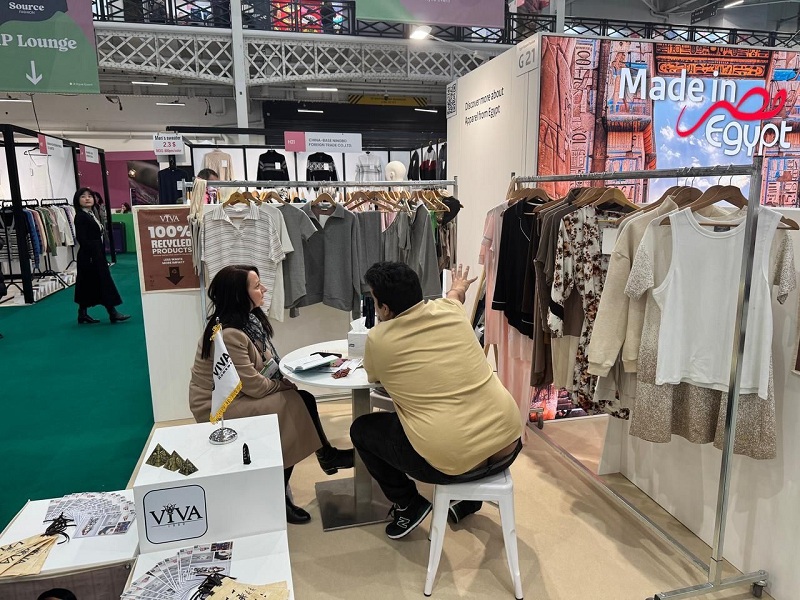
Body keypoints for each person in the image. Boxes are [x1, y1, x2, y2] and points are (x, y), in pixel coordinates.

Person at [351, 262, 523, 539]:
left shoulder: (378, 339)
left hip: (454, 464)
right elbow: (455, 297)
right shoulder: (450, 310)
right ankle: (466, 501)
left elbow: (374, 377)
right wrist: (458, 286)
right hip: (509, 441)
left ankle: (408, 504)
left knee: (362, 429)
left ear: (385, 308)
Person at [189, 265, 354, 524]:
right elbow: (254, 386)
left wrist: (287, 378)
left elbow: (267, 364)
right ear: (239, 295)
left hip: (239, 395)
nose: (264, 289)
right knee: (291, 406)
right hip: (219, 406)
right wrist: (282, 386)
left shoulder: (248, 322)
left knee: (302, 400)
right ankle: (287, 488)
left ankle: (325, 457)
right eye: (257, 286)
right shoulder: (230, 334)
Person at [73, 188, 130, 324]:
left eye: (90, 196)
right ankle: (112, 312)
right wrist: (92, 255)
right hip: (90, 255)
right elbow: (82, 238)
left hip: (96, 253)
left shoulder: (91, 214)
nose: (87, 198)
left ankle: (82, 313)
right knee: (103, 282)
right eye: (83, 196)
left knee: (87, 283)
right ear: (77, 200)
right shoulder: (81, 216)